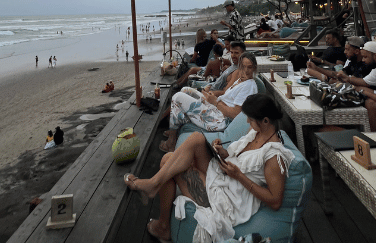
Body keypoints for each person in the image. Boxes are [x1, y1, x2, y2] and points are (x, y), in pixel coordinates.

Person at [124, 94, 292, 243]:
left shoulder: (274, 157)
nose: (247, 122)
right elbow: (242, 159)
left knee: (168, 159)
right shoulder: (256, 132)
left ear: (265, 120)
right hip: (224, 176)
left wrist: (239, 176)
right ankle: (154, 191)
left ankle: (162, 220)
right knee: (196, 138)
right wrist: (223, 152)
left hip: (228, 198)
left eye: (251, 119)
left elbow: (275, 202)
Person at [159, 52, 259, 152]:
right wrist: (210, 98)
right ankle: (175, 129)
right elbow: (227, 99)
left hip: (220, 118)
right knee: (186, 90)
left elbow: (235, 114)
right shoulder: (240, 81)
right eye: (242, 67)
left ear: (254, 68)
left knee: (178, 97)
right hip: (217, 108)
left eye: (249, 67)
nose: (245, 71)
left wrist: (215, 102)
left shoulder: (249, 86)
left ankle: (171, 141)